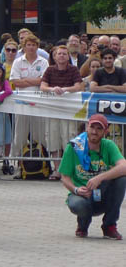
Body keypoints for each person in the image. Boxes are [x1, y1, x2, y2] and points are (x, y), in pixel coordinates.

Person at [58, 113, 126, 240]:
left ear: (105, 131)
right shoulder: (74, 146)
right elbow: (64, 177)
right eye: (92, 127)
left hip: (103, 193)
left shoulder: (108, 145)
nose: (94, 132)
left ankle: (109, 226)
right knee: (78, 204)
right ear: (87, 128)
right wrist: (76, 190)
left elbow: (124, 166)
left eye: (99, 129)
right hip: (82, 194)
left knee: (122, 179)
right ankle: (82, 226)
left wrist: (100, 178)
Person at [40, 44, 84, 180]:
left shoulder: (73, 70)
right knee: (53, 139)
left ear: (68, 56)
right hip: (52, 110)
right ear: (55, 56)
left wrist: (65, 89)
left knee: (68, 138)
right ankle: (57, 169)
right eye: (59, 54)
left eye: (64, 54)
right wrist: (53, 89)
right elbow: (43, 86)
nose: (62, 56)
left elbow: (78, 86)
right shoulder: (49, 70)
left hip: (68, 111)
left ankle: (68, 169)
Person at [9, 34, 48, 175]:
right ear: (24, 47)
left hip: (38, 102)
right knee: (20, 134)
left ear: (37, 46)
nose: (31, 47)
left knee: (40, 134)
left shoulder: (43, 62)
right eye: (28, 45)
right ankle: (19, 166)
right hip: (21, 102)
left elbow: (43, 81)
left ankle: (43, 164)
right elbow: (15, 81)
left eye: (33, 45)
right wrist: (34, 80)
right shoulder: (18, 61)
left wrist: (26, 80)